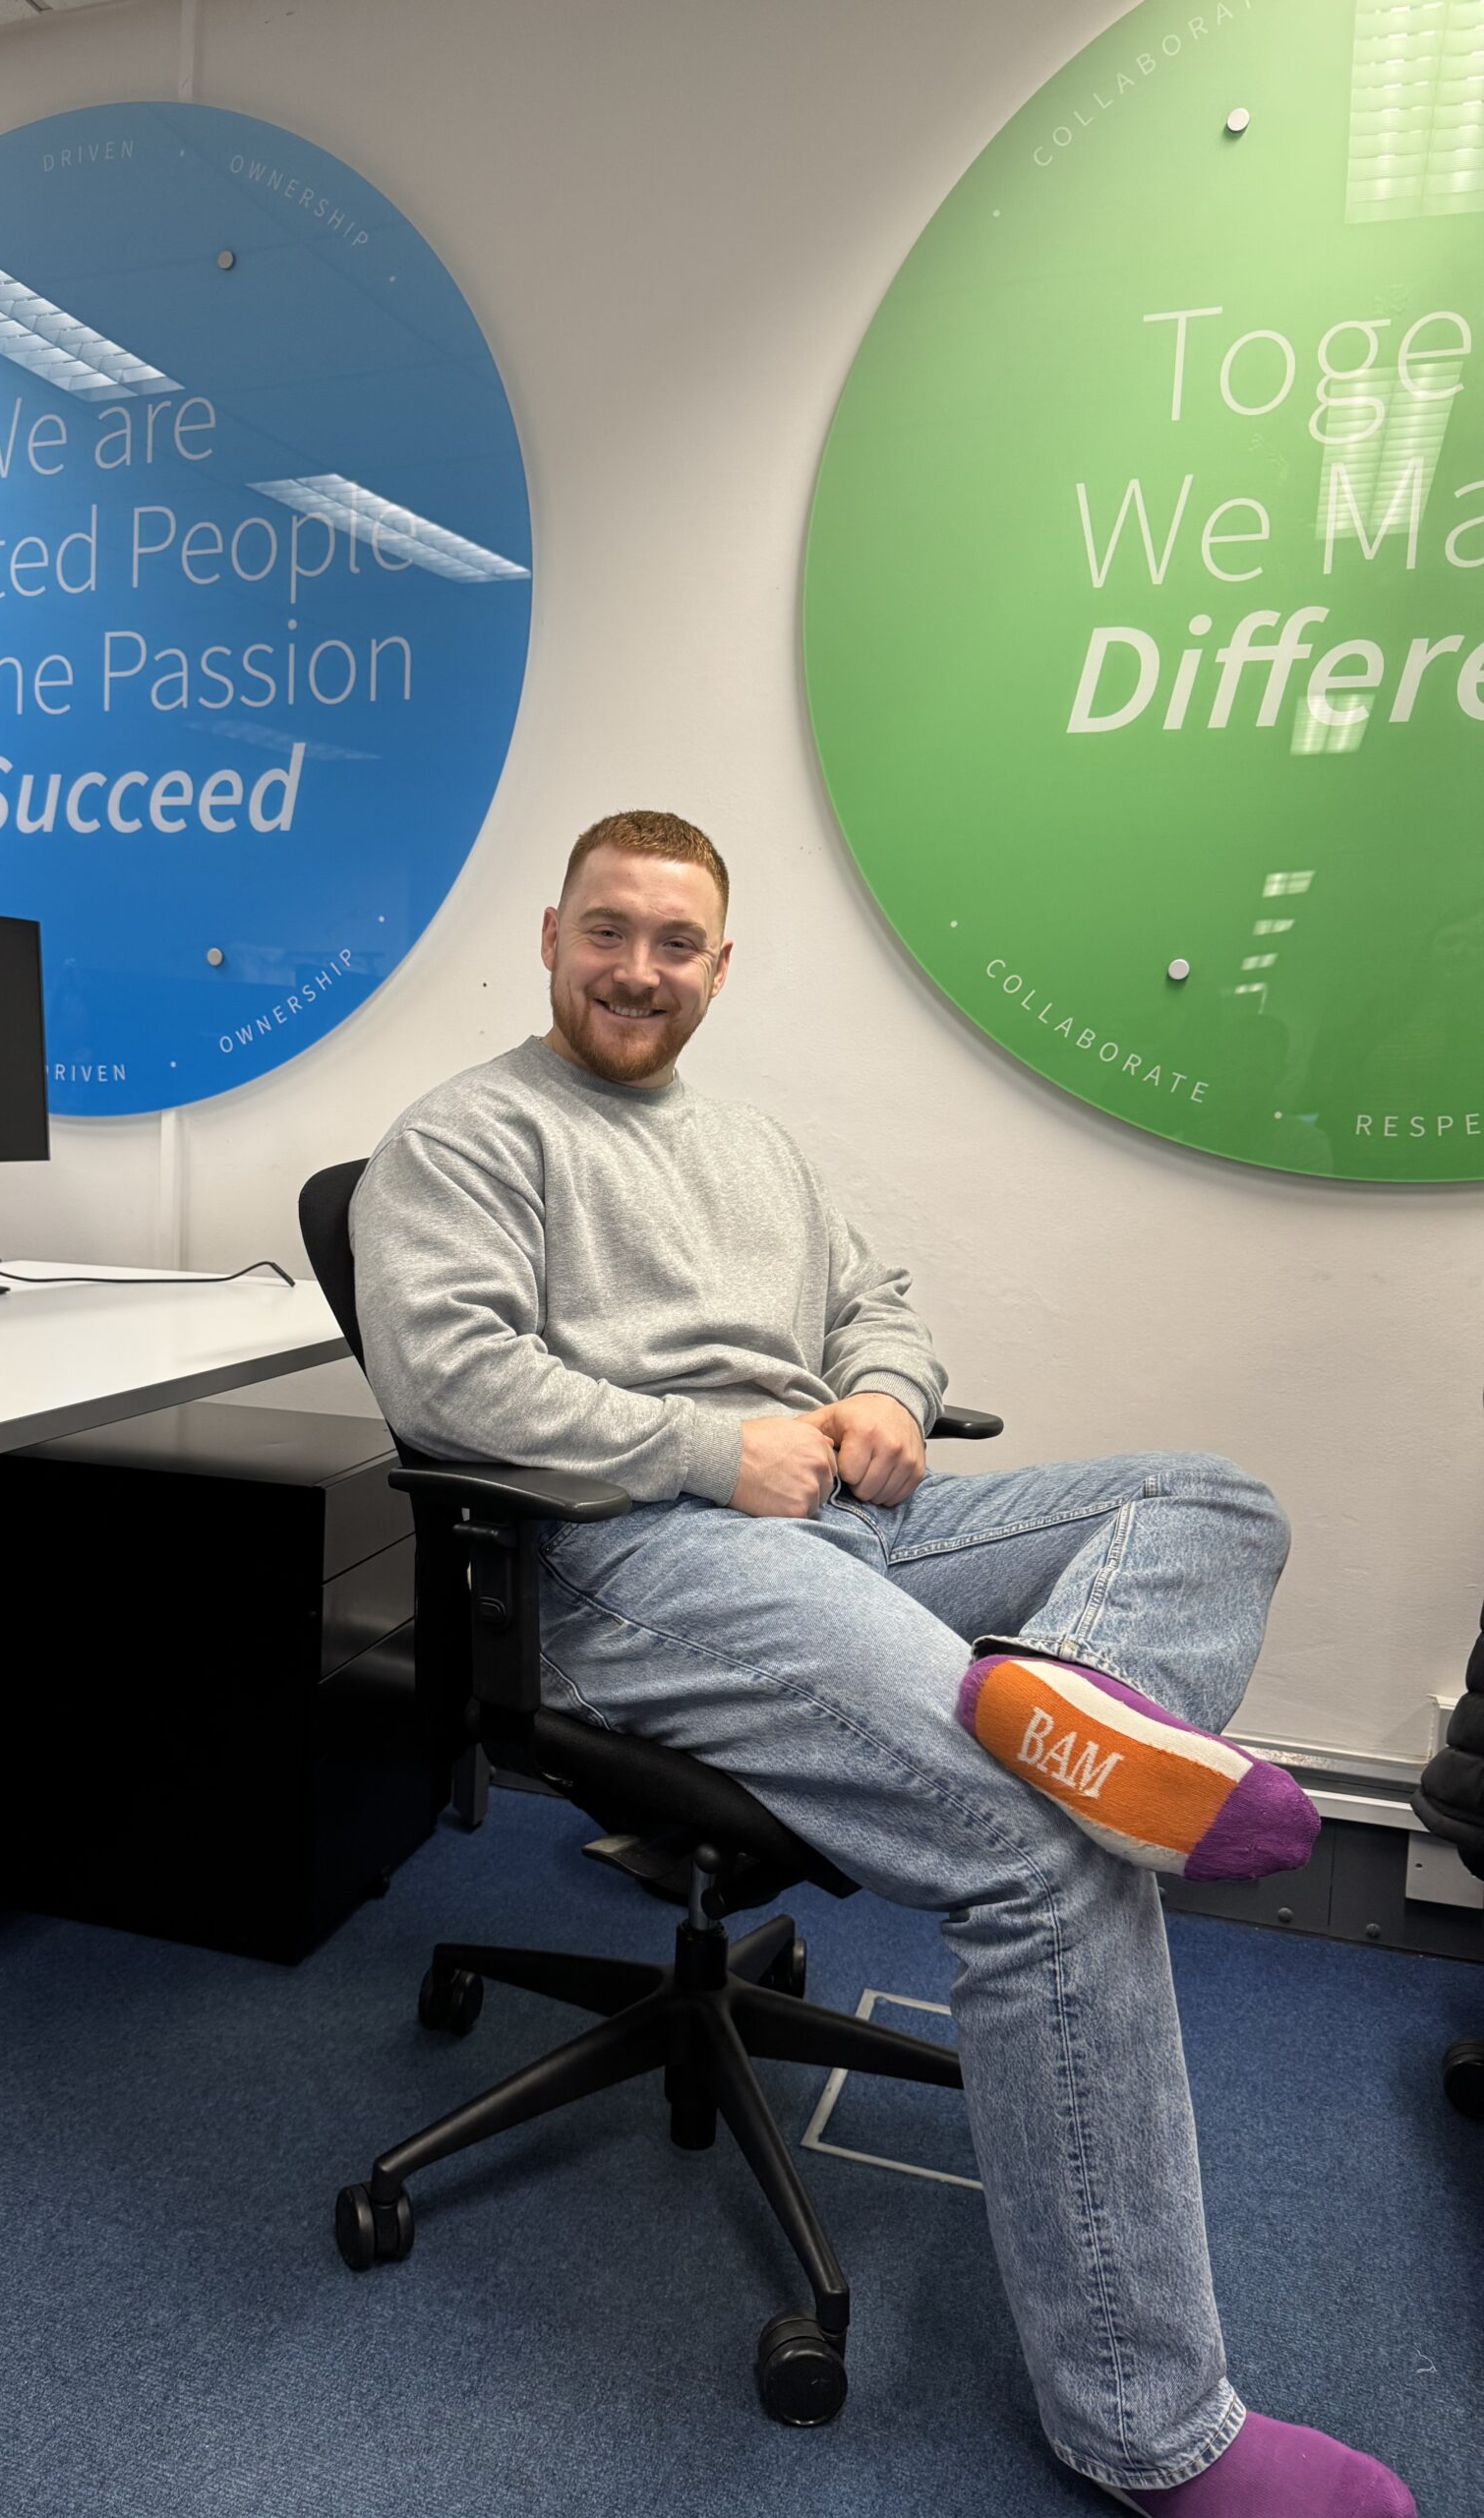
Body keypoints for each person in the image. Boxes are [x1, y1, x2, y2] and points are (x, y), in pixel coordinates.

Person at [350, 809, 1413, 2518]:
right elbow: (452, 1388)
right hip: (630, 1563)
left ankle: (1073, 1691)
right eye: (607, 932)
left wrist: (884, 1403)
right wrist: (714, 1452)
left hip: (833, 1521)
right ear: (548, 934)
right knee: (1044, 1854)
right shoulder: (466, 1139)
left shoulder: (759, 1149)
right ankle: (1152, 2432)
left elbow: (888, 1307)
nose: (639, 969)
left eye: (675, 943)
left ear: (720, 963)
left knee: (1210, 1495)